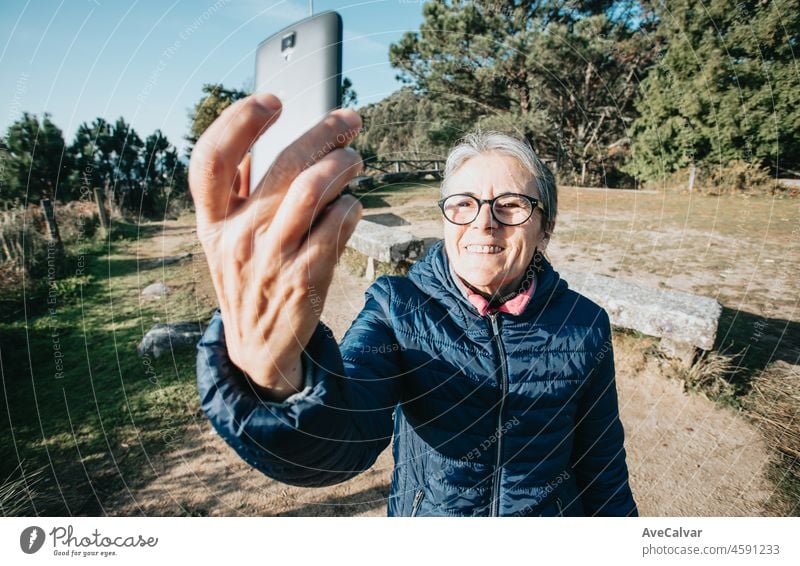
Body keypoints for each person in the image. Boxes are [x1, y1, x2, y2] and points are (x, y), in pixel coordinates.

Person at [190, 94, 638, 517]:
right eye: (463, 205)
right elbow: (344, 439)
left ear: (546, 228)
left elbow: (603, 472)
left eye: (511, 205)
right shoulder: (396, 309)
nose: (483, 223)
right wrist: (275, 378)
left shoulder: (586, 324)